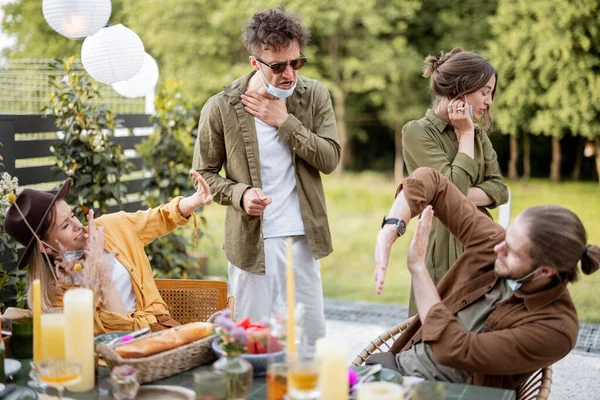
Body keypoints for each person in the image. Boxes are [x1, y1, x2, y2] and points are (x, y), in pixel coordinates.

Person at [372, 167, 600, 390]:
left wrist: (419, 270)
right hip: (398, 369)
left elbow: (453, 349)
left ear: (545, 271)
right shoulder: (495, 245)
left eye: (511, 251)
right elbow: (432, 181)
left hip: (451, 395)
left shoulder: (556, 328)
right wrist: (392, 227)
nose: (498, 248)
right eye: (506, 236)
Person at [192, 6, 340, 343]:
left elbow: (330, 159)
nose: (289, 73)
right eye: (277, 66)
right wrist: (240, 195)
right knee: (252, 343)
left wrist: (284, 121)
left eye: (296, 62)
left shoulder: (314, 95)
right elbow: (203, 173)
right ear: (255, 63)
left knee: (308, 340)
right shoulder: (220, 107)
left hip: (303, 238)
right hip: (251, 243)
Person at [3, 170, 213, 335]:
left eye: (73, 215)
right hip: (119, 353)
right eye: (65, 225)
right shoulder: (55, 296)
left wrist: (194, 200)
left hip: (163, 333)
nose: (78, 225)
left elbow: (159, 217)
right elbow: (117, 333)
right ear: (46, 247)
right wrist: (98, 266)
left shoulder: (111, 227)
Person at [400, 48, 509, 315]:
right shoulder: (416, 133)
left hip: (482, 239)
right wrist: (466, 136)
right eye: (484, 91)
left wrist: (444, 194)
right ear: (461, 88)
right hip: (443, 247)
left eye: (491, 93)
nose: (489, 101)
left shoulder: (479, 134)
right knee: (437, 328)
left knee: (483, 329)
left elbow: (500, 189)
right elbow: (455, 189)